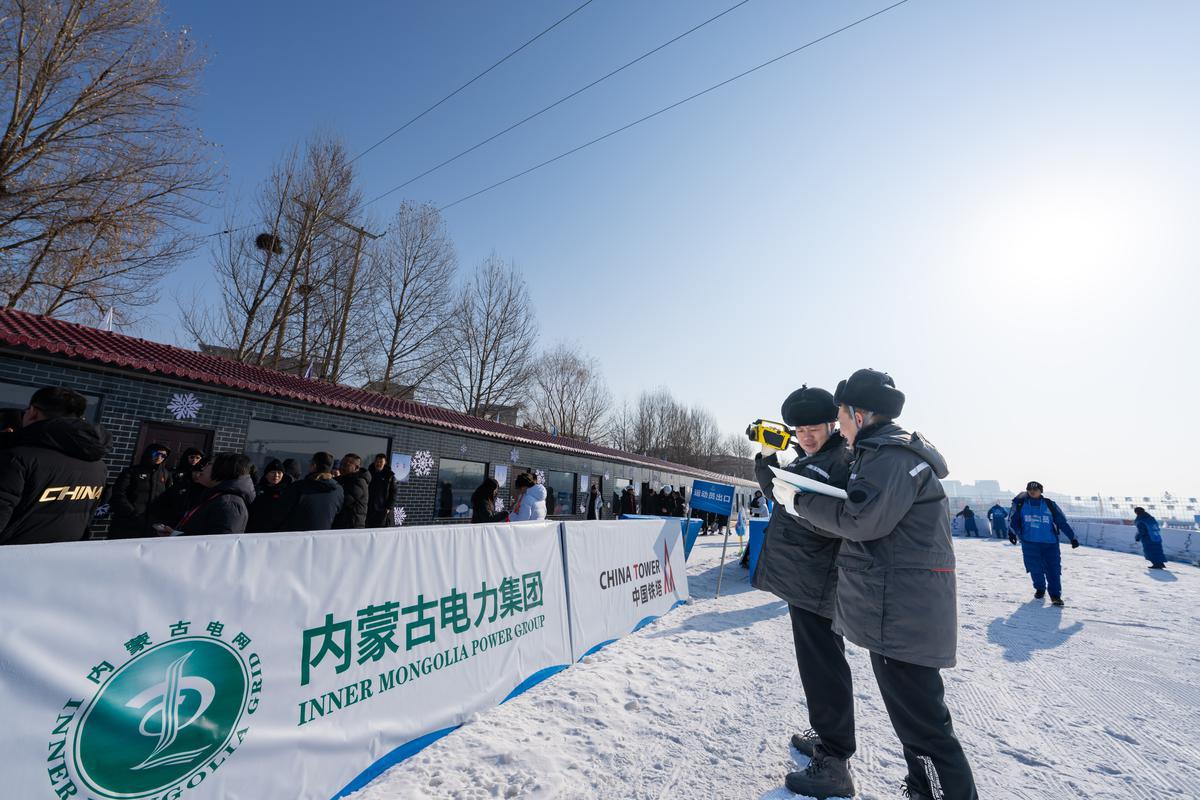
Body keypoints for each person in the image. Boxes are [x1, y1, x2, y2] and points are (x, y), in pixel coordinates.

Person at [772, 369, 977, 800]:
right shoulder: (881, 453)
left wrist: (799, 500)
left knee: (924, 724)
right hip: (898, 603)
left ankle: (939, 791)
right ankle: (924, 788)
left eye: (840, 416)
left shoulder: (889, 457)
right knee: (916, 719)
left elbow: (861, 519)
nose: (839, 426)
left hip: (903, 607)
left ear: (858, 415)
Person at [751, 385, 857, 792]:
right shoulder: (809, 458)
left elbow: (831, 520)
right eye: (799, 430)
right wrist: (768, 460)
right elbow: (779, 495)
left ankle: (835, 761)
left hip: (820, 583)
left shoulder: (841, 461)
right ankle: (828, 737)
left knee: (824, 668)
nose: (805, 436)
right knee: (817, 666)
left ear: (832, 424)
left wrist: (792, 497)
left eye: (812, 429)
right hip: (805, 581)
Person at [0, 387, 111, 545]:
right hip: (64, 554)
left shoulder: (17, 458)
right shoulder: (98, 466)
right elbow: (87, 517)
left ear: (33, 412)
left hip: (14, 555)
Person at [1008, 481, 1080, 606]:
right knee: (1035, 568)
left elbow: (1061, 522)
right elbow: (1013, 520)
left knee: (1053, 569)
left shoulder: (1050, 504)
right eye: (1030, 489)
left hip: (1050, 543)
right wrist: (1011, 533)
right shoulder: (1021, 504)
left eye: (1035, 489)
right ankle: (1040, 588)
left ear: (1041, 491)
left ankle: (1055, 595)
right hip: (1029, 543)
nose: (1032, 491)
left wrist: (1072, 537)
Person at [168, 453, 256, 535]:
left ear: (222, 469)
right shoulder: (217, 496)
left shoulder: (229, 503)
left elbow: (217, 543)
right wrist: (174, 534)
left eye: (209, 464)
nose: (203, 467)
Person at [108, 442, 172, 538]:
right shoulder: (132, 471)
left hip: (152, 525)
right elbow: (119, 494)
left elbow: (167, 498)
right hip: (128, 522)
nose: (159, 457)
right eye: (156, 454)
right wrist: (132, 513)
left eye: (163, 455)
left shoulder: (165, 474)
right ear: (149, 453)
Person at [275, 452, 345, 532]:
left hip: (296, 537)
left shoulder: (298, 487)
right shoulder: (338, 490)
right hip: (323, 537)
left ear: (314, 466)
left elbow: (278, 515)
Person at [159, 457, 208, 526]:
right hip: (173, 519)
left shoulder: (206, 489)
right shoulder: (181, 484)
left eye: (200, 473)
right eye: (195, 472)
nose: (197, 475)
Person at [248, 459, 288, 533]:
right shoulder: (257, 489)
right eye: (273, 472)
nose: (276, 475)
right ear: (266, 474)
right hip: (255, 529)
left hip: (276, 532)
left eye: (279, 472)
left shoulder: (287, 492)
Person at [333, 453, 370, 529]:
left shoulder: (359, 482)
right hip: (342, 523)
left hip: (352, 526)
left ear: (356, 467)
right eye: (341, 464)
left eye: (345, 465)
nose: (341, 467)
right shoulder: (343, 478)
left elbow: (344, 500)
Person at [366, 453, 397, 527]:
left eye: (381, 462)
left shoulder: (389, 476)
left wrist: (389, 507)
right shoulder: (368, 473)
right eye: (377, 461)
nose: (378, 464)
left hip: (383, 509)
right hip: (369, 508)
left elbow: (394, 492)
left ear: (385, 463)